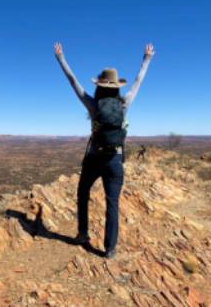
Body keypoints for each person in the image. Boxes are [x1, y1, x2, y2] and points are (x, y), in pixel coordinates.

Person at [54, 41, 154, 258]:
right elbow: (138, 81)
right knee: (112, 204)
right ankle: (109, 249)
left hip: (93, 158)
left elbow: (74, 82)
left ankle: (83, 234)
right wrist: (146, 59)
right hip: (115, 160)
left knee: (82, 193)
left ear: (99, 85)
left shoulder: (92, 105)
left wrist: (61, 59)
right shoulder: (125, 103)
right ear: (117, 86)